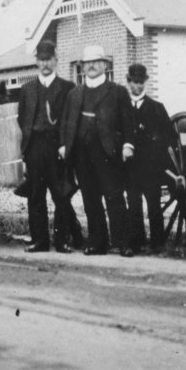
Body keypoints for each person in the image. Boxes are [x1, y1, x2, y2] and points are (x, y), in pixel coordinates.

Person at [59, 45, 136, 257]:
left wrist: (128, 145)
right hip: (81, 155)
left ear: (104, 64)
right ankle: (97, 243)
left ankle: (122, 242)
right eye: (87, 63)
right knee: (90, 200)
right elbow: (66, 122)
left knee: (114, 198)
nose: (91, 66)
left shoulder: (117, 92)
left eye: (96, 61)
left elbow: (128, 123)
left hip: (108, 154)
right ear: (82, 66)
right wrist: (63, 145)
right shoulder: (74, 94)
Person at [17, 40, 81, 253]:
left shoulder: (67, 88)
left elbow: (70, 121)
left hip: (57, 148)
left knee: (61, 195)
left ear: (56, 60)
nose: (45, 64)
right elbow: (22, 119)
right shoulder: (27, 89)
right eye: (41, 60)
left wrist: (65, 145)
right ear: (37, 62)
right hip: (35, 147)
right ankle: (40, 241)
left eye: (49, 59)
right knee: (35, 195)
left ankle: (62, 241)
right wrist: (27, 148)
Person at [124, 64, 176, 253]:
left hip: (151, 166)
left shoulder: (156, 108)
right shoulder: (122, 108)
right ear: (128, 82)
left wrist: (157, 154)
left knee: (154, 204)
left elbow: (170, 136)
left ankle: (157, 243)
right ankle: (136, 242)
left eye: (140, 82)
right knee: (133, 203)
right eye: (134, 82)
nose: (137, 86)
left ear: (145, 82)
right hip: (130, 166)